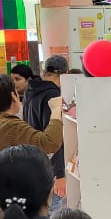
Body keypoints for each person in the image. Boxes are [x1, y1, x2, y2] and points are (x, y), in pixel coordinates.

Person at [0, 74, 63, 219]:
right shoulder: (10, 126)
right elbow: (50, 142)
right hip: (18, 207)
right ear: (13, 95)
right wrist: (56, 111)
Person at [23, 57, 68, 207]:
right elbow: (55, 137)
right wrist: (60, 174)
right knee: (54, 213)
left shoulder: (30, 92)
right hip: (51, 169)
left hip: (36, 165)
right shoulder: (53, 95)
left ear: (44, 72)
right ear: (65, 74)